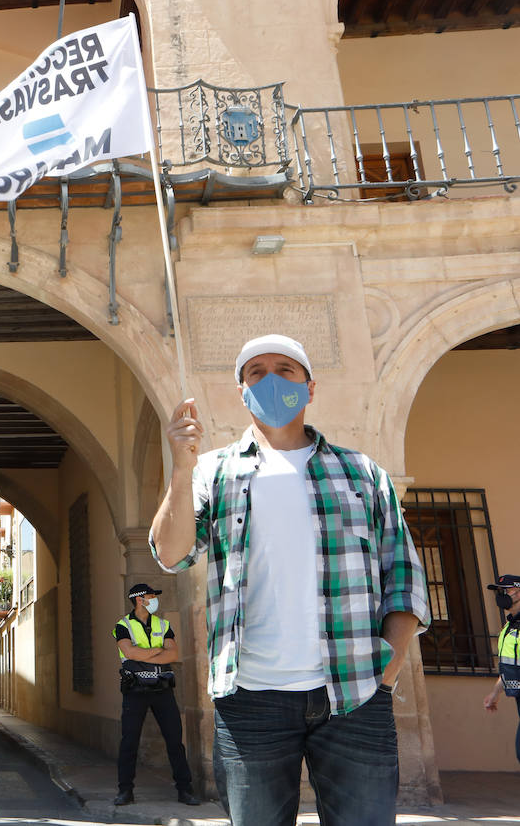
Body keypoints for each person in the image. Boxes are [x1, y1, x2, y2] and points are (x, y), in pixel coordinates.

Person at [150, 333, 430, 826]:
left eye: (286, 369)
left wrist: (389, 665)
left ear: (310, 387)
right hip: (250, 702)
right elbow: (170, 555)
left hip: (355, 696)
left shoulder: (363, 474)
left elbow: (404, 576)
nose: (272, 380)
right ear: (242, 391)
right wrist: (180, 466)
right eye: (256, 372)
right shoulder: (211, 474)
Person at [111, 583, 199, 807]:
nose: (154, 599)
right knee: (129, 742)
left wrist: (142, 656)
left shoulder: (164, 624)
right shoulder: (122, 626)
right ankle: (125, 791)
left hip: (162, 690)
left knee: (174, 741)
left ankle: (185, 790)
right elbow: (128, 652)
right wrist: (158, 651)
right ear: (140, 599)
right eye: (151, 596)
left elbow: (173, 654)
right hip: (135, 691)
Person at [482, 573, 520, 765]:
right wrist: (495, 692)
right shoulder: (510, 626)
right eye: (499, 590)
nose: (501, 594)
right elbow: (510, 664)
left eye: (505, 590)